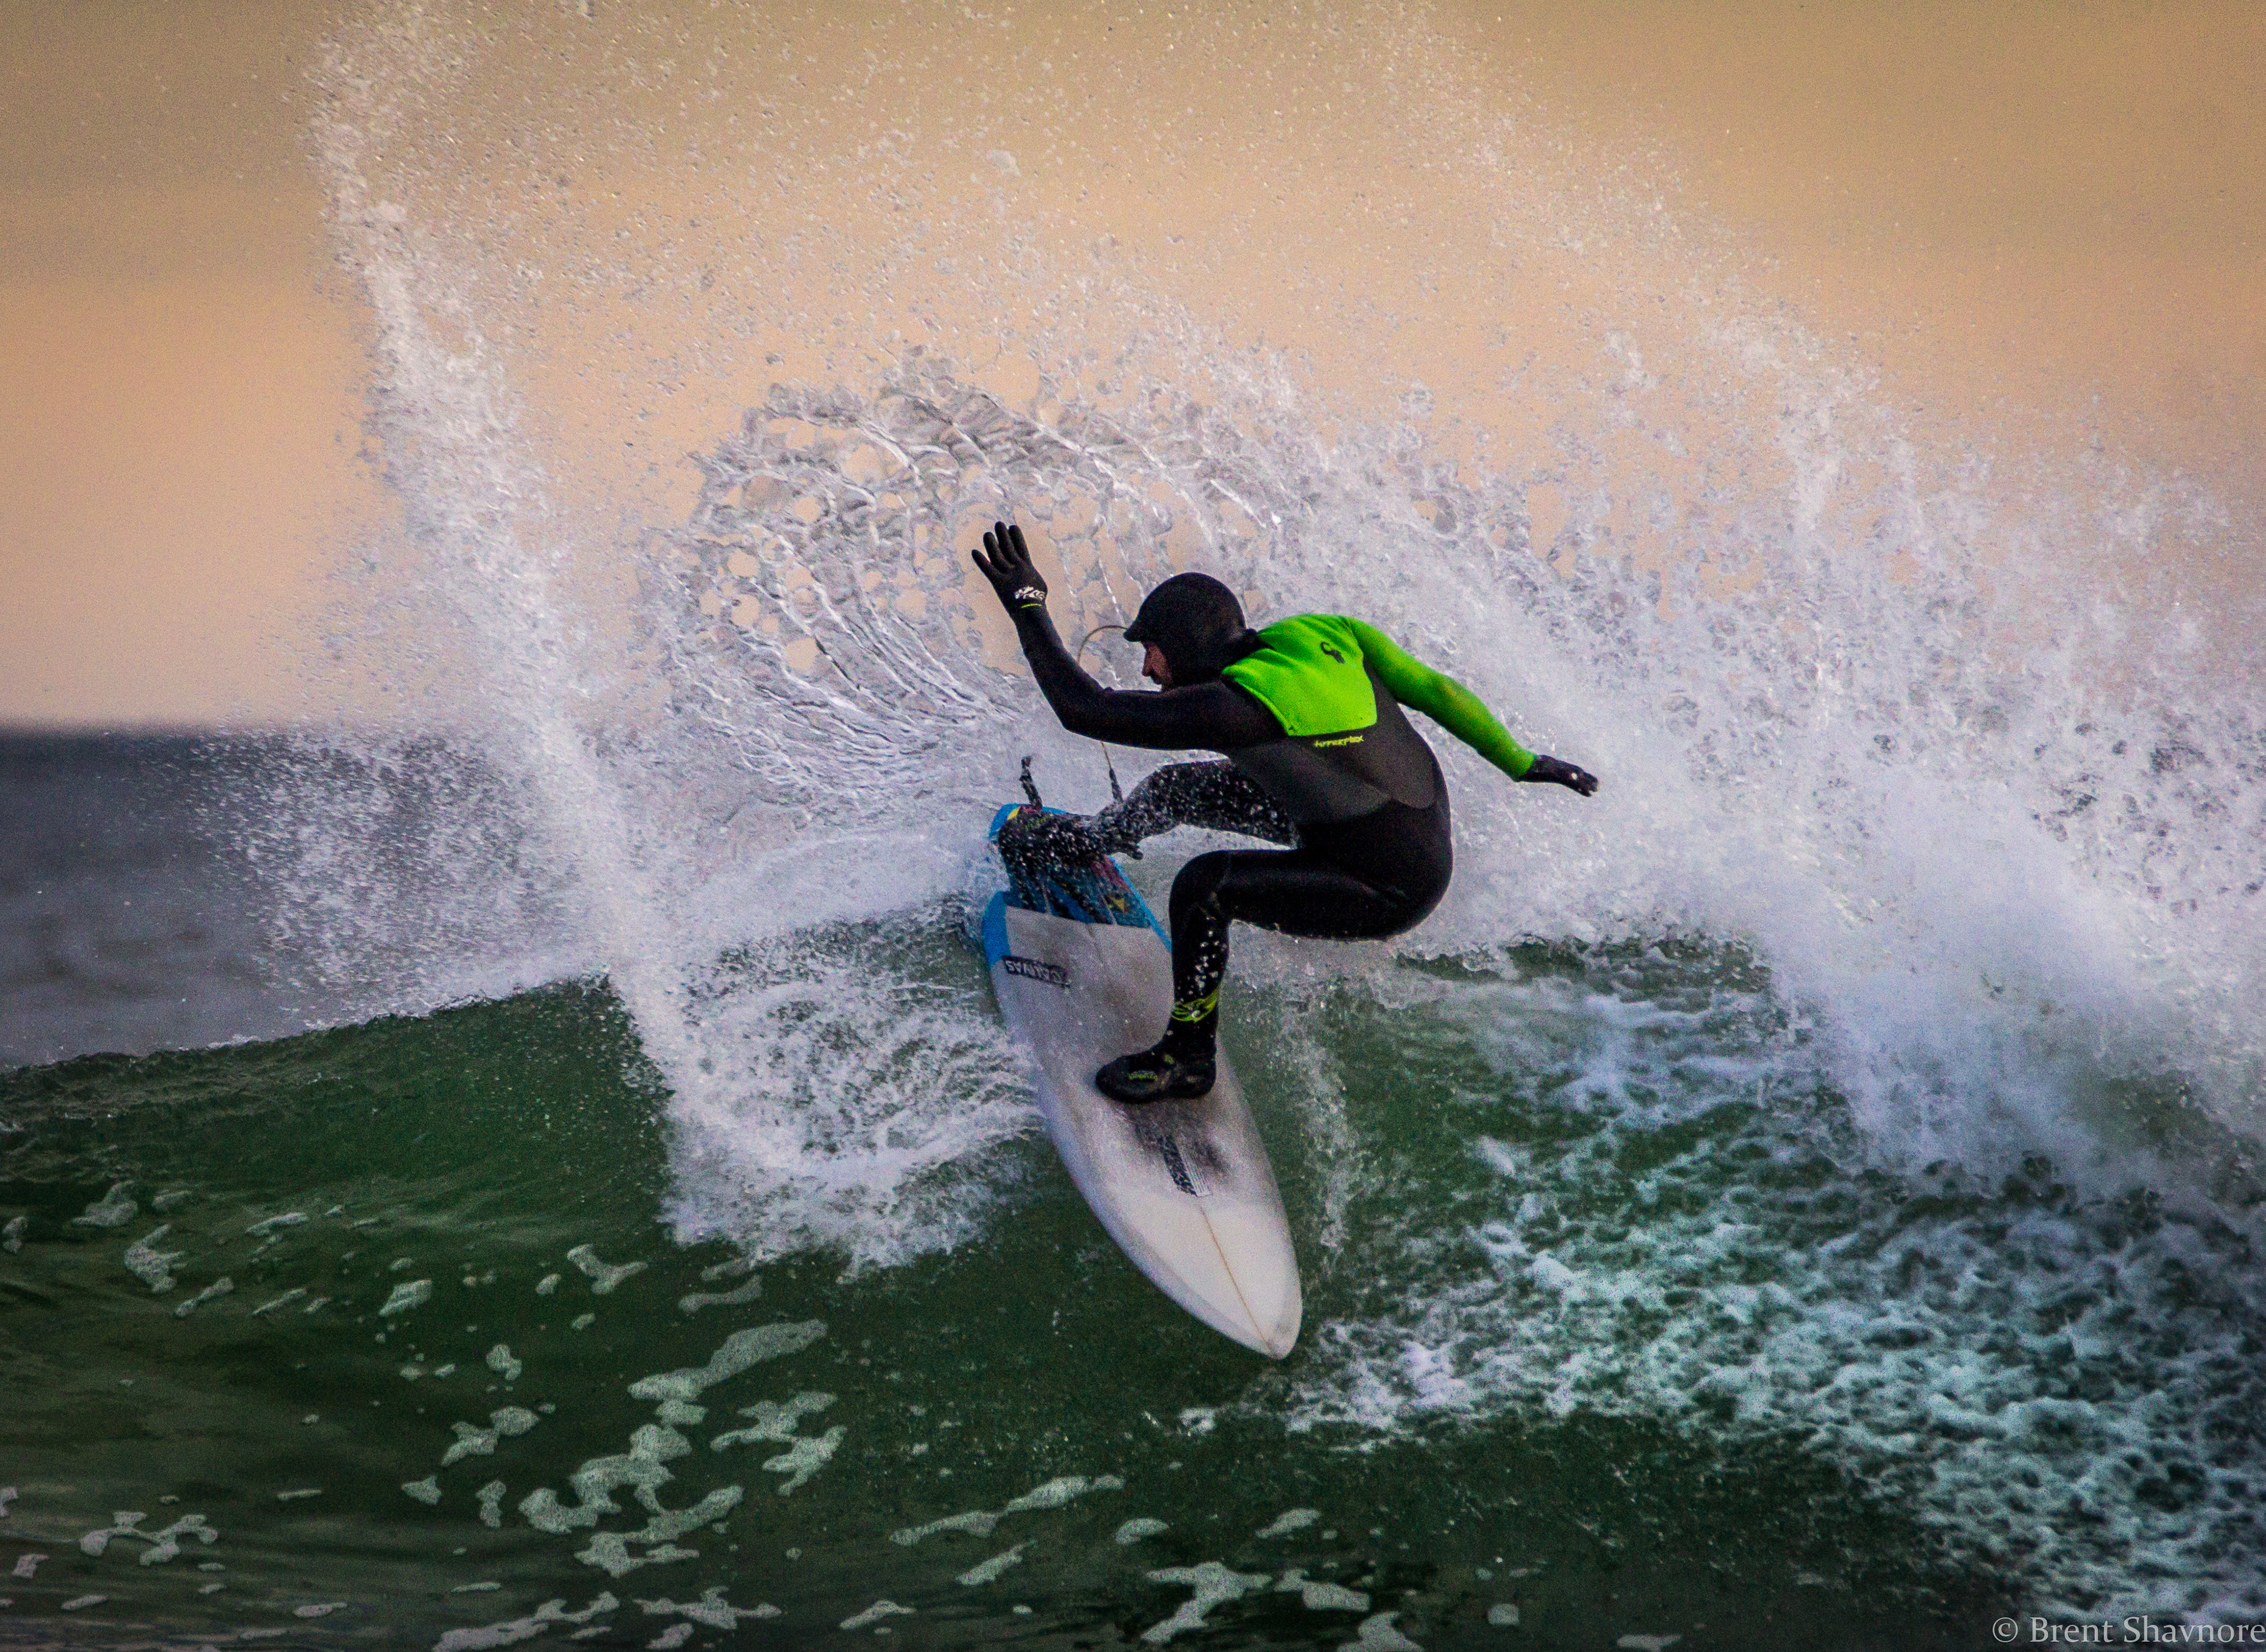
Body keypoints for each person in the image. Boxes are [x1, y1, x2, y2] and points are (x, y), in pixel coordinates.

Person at [972, 520, 1598, 1104]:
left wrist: (1028, 604)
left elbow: (1085, 709)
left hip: (1387, 884)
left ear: (1184, 647)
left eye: (1154, 651)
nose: (1147, 668)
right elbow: (1437, 689)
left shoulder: (1234, 708)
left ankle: (1188, 1055)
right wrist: (1520, 761)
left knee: (1205, 887)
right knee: (1179, 789)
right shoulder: (1324, 634)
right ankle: (1084, 842)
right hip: (1388, 830)